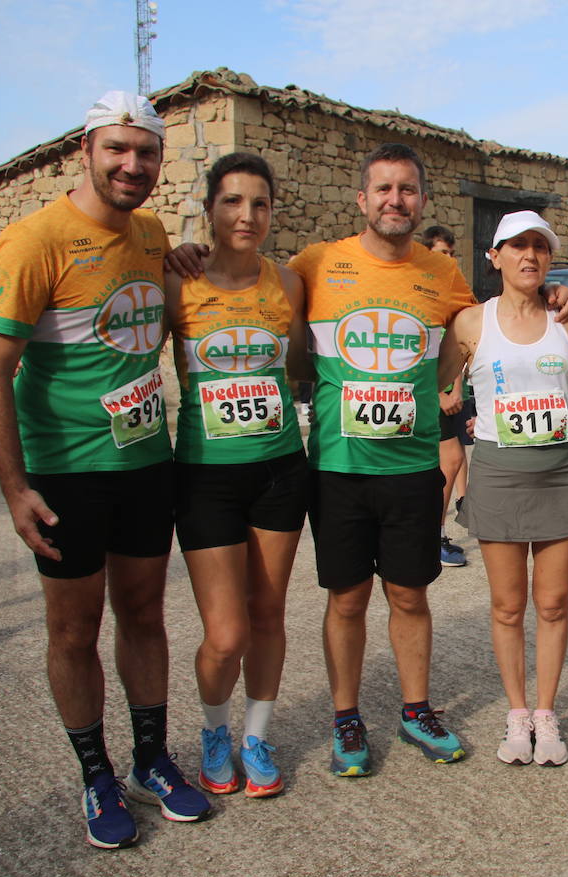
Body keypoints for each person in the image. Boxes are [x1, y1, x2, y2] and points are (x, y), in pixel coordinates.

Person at [169, 142, 568, 776]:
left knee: (410, 596)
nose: (396, 200)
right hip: (337, 468)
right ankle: (347, 718)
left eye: (408, 190)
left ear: (421, 201)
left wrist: (552, 297)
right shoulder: (314, 264)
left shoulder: (442, 276)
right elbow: (259, 294)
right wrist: (188, 253)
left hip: (413, 469)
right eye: (383, 189)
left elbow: (489, 322)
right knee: (347, 599)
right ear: (362, 199)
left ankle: (416, 711)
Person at [0, 92, 210, 850]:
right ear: (85, 151)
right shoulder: (33, 240)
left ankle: (150, 761)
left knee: (144, 615)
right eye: (117, 149)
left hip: (144, 461)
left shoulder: (149, 231)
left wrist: (185, 264)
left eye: (145, 152)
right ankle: (94, 772)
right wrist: (15, 489)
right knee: (74, 629)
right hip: (67, 471)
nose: (131, 165)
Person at [438, 211, 568, 766]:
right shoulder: (469, 323)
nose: (529, 256)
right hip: (498, 471)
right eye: (517, 246)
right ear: (495, 257)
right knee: (508, 605)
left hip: (561, 470)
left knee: (554, 602)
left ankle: (546, 711)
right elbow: (442, 393)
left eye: (540, 247)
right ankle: (516, 714)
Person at [165, 153, 310, 799]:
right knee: (225, 634)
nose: (246, 215)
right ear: (210, 210)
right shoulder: (178, 281)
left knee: (269, 613)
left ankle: (256, 734)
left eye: (259, 203)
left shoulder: (290, 282)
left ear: (272, 212)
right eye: (232, 201)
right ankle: (214, 731)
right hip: (205, 476)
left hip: (280, 469)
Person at [423, 225, 472, 567]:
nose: (449, 260)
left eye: (452, 254)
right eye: (442, 254)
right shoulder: (423, 294)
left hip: (453, 391)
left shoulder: (453, 292)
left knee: (457, 457)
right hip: (434, 394)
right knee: (450, 460)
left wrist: (457, 388)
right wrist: (443, 392)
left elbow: (461, 345)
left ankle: (464, 507)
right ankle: (433, 536)